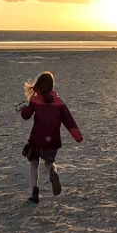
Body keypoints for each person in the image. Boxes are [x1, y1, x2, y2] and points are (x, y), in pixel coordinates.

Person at [19, 71, 83, 204]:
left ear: (38, 85)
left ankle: (34, 191)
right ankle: (52, 172)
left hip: (37, 138)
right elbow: (69, 121)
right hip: (52, 140)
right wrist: (77, 136)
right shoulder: (60, 103)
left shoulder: (35, 101)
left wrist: (24, 109)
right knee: (49, 162)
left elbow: (27, 116)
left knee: (33, 164)